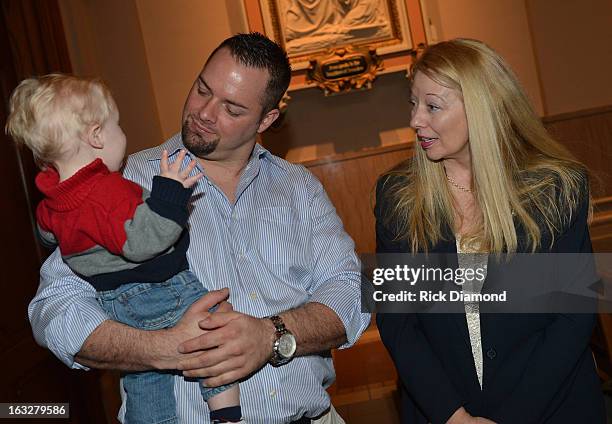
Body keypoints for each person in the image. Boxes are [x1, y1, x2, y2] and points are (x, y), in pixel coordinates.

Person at [28, 32, 370, 423]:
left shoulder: (299, 187)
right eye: (202, 89)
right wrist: (162, 348)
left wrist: (270, 336)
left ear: (266, 119)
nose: (205, 113)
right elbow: (53, 310)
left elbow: (352, 290)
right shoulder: (120, 182)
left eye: (232, 109)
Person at [374, 39, 605, 423]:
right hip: (443, 412)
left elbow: (573, 317)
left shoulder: (556, 188)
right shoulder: (398, 196)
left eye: (432, 106)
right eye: (413, 103)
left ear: (481, 108)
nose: (416, 120)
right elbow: (398, 322)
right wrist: (455, 416)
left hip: (551, 408)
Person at [6, 74, 244, 424]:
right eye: (117, 127)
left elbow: (48, 236)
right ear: (96, 136)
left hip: (115, 304)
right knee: (216, 326)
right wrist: (171, 191)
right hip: (159, 288)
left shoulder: (52, 203)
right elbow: (144, 241)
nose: (124, 138)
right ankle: (227, 412)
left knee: (144, 374)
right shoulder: (106, 191)